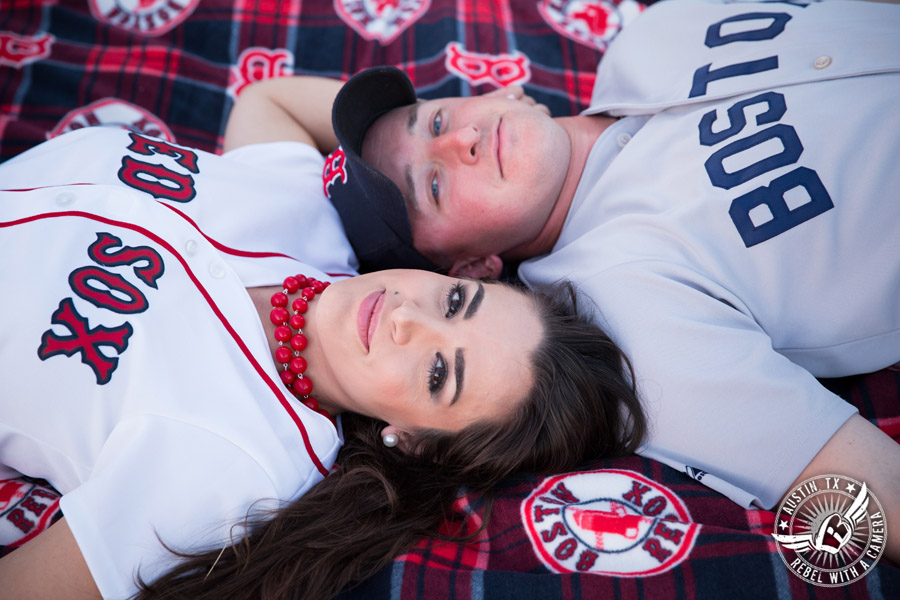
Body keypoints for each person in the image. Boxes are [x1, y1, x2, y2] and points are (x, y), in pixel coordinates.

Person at [286, 0, 898, 559]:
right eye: (434, 187)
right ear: (473, 269)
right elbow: (872, 496)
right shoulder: (629, 311)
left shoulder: (653, 35)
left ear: (503, 90)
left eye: (438, 122)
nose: (466, 141)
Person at [0, 101, 645, 598]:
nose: (406, 321)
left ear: (414, 437)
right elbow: (267, 99)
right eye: (454, 304)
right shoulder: (319, 215)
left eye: (440, 371)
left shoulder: (241, 467)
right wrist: (435, 135)